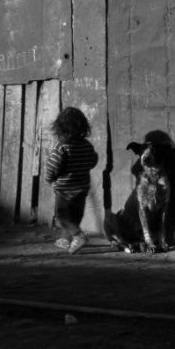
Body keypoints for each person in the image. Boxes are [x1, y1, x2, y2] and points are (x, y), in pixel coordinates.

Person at [44, 107, 99, 254]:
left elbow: (53, 167)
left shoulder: (61, 147)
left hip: (64, 190)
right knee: (73, 217)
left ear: (60, 127)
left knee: (61, 217)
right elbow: (93, 161)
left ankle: (79, 236)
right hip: (82, 189)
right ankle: (65, 240)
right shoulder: (87, 146)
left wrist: (49, 179)